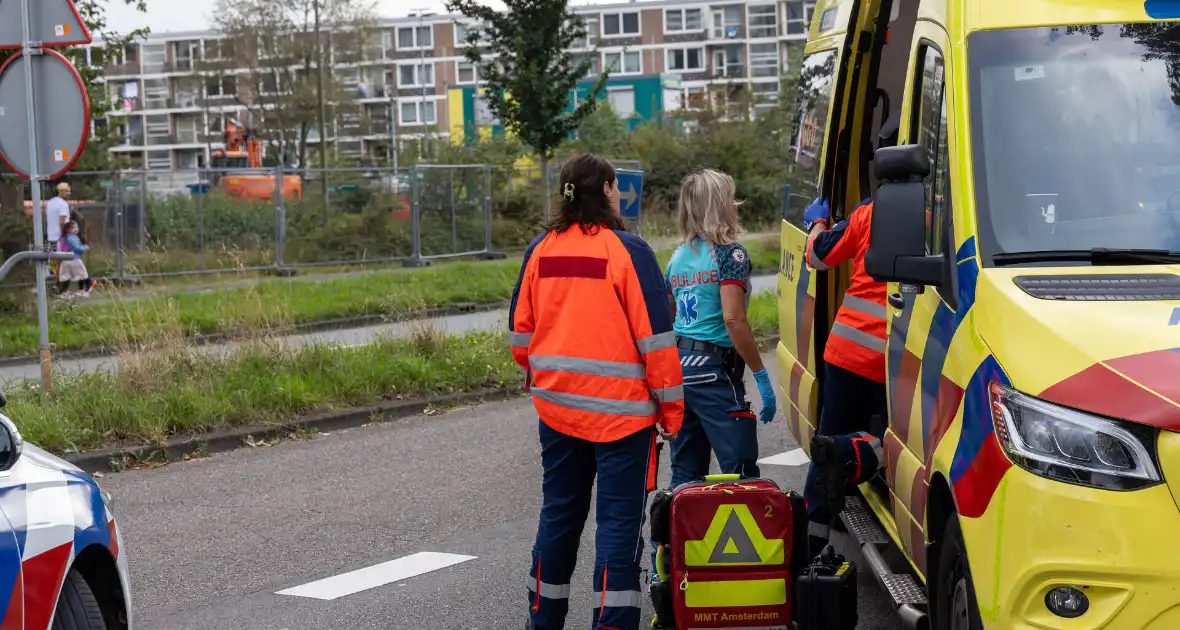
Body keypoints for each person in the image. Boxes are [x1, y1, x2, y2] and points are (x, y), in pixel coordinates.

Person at [509, 153, 684, 630]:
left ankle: (542, 621)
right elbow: (659, 343)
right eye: (615, 187)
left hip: (558, 412)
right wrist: (671, 414)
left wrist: (545, 381)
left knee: (560, 515)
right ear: (607, 190)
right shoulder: (629, 252)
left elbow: (520, 336)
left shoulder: (539, 250)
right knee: (618, 525)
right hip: (623, 420)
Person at [665, 169, 777, 487]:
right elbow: (733, 319)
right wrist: (761, 376)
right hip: (714, 374)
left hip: (680, 371)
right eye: (731, 198)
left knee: (685, 474)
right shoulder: (731, 254)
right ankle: (741, 537)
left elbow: (670, 317)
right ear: (721, 205)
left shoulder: (677, 257)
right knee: (738, 472)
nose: (735, 204)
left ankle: (679, 537)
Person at [800, 197, 888, 553]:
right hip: (893, 358)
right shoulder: (942, 212)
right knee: (894, 445)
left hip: (846, 349)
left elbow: (818, 256)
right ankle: (849, 451)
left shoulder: (868, 211)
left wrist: (817, 223)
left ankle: (810, 544)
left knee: (828, 446)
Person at [58, 221, 92, 297]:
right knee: (82, 274)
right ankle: (86, 288)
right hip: (74, 259)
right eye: (74, 227)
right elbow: (77, 248)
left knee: (66, 276)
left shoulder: (64, 238)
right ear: (68, 230)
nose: (76, 229)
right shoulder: (72, 238)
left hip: (65, 261)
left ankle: (63, 292)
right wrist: (85, 247)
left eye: (77, 227)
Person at [45, 182, 72, 282]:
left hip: (51, 237)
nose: (69, 193)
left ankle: (53, 286)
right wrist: (65, 235)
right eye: (67, 191)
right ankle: (60, 287)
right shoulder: (63, 204)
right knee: (62, 263)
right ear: (61, 191)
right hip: (60, 238)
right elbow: (62, 222)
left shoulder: (50, 202)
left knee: (53, 264)